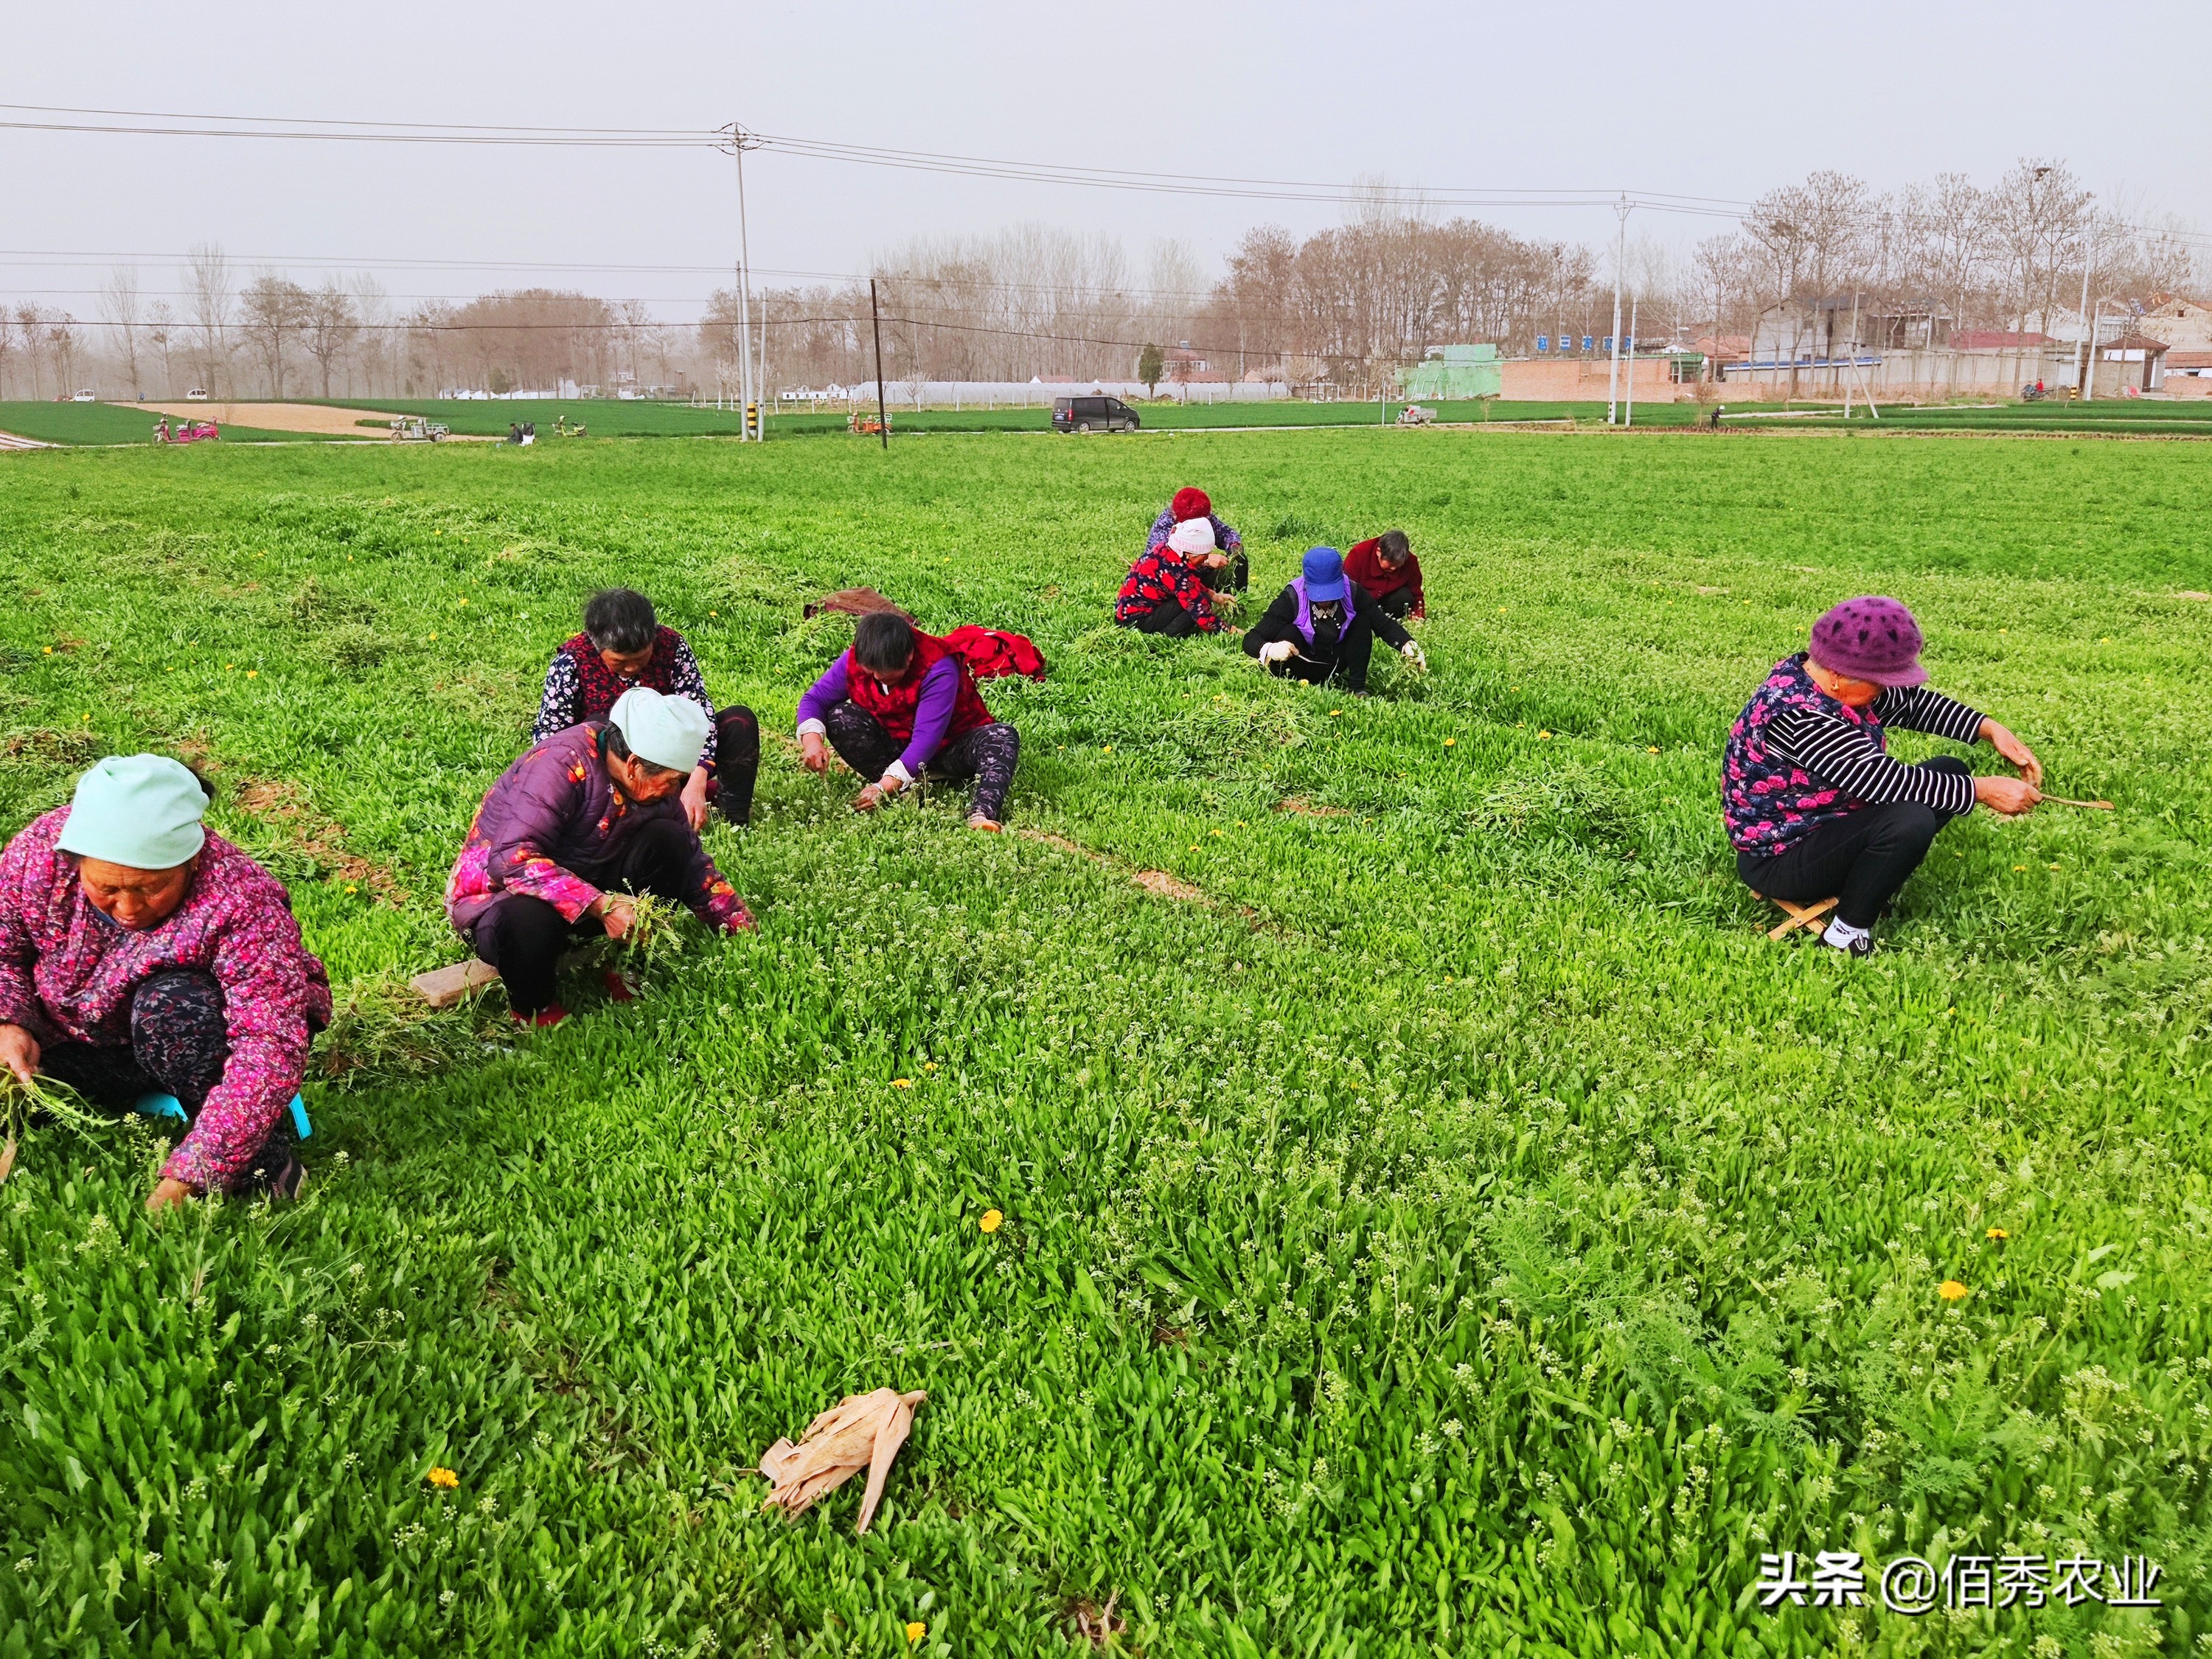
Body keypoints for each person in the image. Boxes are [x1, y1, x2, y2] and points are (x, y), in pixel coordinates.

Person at [0, 755, 330, 1210]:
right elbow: (4, 951)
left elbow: (267, 1042)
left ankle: (265, 1164)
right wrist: (10, 1022)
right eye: (108, 889)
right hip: (71, 1037)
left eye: (151, 888)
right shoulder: (37, 856)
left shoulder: (242, 900)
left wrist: (198, 1172)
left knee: (172, 1007)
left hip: (185, 1039)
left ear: (193, 861)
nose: (129, 909)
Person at [1725, 597, 2042, 958]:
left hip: (1826, 822)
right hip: (1780, 857)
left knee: (1948, 772)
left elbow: (1915, 706)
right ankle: (1846, 934)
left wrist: (1990, 729)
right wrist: (1981, 790)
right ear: (1838, 676)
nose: (1888, 691)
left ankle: (1867, 878)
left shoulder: (1827, 683)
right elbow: (1877, 779)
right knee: (1909, 819)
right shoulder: (1797, 716)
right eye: (1881, 683)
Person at [448, 687, 756, 1026]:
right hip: (501, 905)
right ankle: (533, 1007)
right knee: (526, 916)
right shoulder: (559, 764)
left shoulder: (654, 786)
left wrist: (734, 919)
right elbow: (512, 860)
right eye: (673, 782)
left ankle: (624, 963)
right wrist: (602, 905)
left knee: (668, 841)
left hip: (590, 888)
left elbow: (690, 858)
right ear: (635, 765)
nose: (675, 791)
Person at [535, 587, 760, 829]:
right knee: (599, 725)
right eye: (620, 662)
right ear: (596, 645)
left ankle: (735, 819)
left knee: (739, 722)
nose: (632, 668)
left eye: (642, 658)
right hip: (613, 772)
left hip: (671, 762)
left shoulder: (673, 647)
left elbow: (700, 715)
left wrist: (698, 779)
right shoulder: (572, 661)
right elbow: (552, 738)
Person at [796, 612, 1019, 831]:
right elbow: (815, 698)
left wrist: (883, 788)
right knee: (840, 717)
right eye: (870, 671)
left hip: (952, 746)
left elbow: (926, 739)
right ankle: (905, 784)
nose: (876, 677)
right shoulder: (858, 657)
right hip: (896, 744)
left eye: (886, 673)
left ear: (909, 656)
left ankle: (982, 813)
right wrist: (813, 741)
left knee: (1001, 736)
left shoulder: (939, 666)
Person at [1244, 546, 1425, 694]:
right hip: (1299, 663)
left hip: (1334, 662)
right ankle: (1289, 684)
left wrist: (1407, 644)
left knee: (1362, 622)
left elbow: (1382, 624)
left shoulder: (1353, 591)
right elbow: (1251, 639)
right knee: (1287, 632)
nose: (1324, 600)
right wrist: (1271, 649)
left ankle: (1356, 689)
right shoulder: (1292, 597)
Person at [1116, 518, 1234, 637]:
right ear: (1190, 554)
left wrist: (1214, 595)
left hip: (1126, 613)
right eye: (1204, 555)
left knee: (1203, 597)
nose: (1206, 559)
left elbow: (1191, 583)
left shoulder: (1165, 549)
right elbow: (1200, 612)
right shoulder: (1177, 570)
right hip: (1136, 620)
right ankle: (1163, 636)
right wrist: (1230, 630)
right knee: (1198, 604)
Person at [1146, 487, 1246, 594]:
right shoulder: (1165, 524)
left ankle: (1234, 602)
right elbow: (1168, 563)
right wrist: (1206, 560)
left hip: (1201, 576)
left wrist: (1234, 546)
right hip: (1174, 582)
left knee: (1240, 560)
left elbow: (1225, 533)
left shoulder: (1204, 516)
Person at [1343, 529, 1425, 621]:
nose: (1393, 569)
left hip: (1389, 603)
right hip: (1362, 601)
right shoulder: (1358, 554)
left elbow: (1416, 593)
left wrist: (1418, 614)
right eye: (1390, 564)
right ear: (1378, 552)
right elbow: (1347, 589)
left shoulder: (1411, 562)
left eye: (1397, 566)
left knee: (1405, 596)